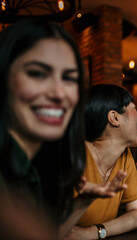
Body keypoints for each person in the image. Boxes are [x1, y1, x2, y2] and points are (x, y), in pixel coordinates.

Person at [0, 19, 128, 239]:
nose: (59, 93)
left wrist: (83, 201)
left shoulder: (35, 165)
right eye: (38, 73)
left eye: (69, 78)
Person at [65, 84, 137, 239]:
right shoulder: (72, 156)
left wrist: (94, 232)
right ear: (114, 117)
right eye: (133, 108)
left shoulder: (124, 156)